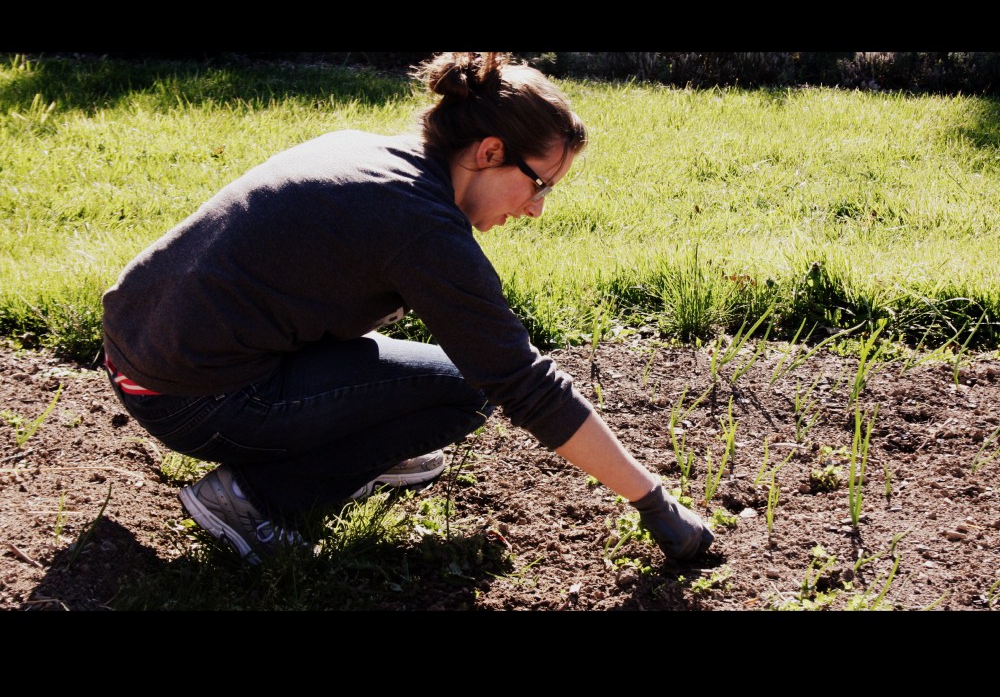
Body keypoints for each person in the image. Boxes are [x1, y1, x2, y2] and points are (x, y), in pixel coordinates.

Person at [101, 51, 714, 566]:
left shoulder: (366, 151)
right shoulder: (417, 224)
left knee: (439, 374)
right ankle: (252, 499)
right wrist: (654, 504)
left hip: (142, 350)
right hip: (193, 398)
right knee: (463, 390)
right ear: (490, 151)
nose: (536, 208)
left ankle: (351, 456)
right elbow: (521, 380)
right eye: (540, 184)